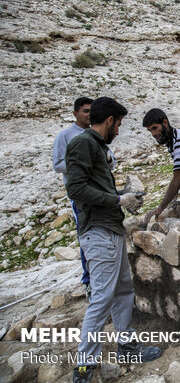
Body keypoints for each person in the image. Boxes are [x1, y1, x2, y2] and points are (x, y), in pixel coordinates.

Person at [65, 97, 161, 383]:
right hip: (99, 231)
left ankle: (127, 346)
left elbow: (94, 186)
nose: (118, 131)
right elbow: (76, 188)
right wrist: (119, 198)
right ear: (109, 121)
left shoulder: (96, 147)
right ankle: (85, 366)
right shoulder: (83, 143)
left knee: (122, 290)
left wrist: (123, 195)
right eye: (118, 124)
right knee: (103, 297)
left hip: (111, 228)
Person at [52, 97, 116, 301]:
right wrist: (82, 162)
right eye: (85, 111)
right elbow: (58, 163)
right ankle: (89, 281)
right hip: (85, 196)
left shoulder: (98, 136)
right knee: (87, 234)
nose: (88, 115)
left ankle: (105, 279)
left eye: (91, 111)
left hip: (102, 192)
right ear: (75, 114)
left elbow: (110, 159)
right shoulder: (68, 136)